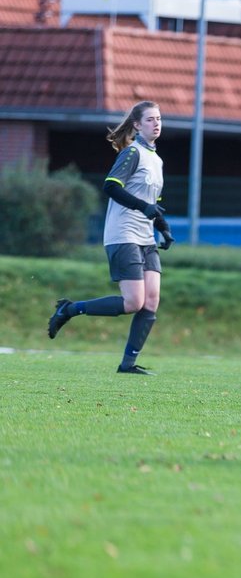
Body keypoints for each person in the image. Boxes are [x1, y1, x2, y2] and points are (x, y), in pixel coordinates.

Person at [47, 101, 175, 374]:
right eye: (150, 119)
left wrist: (163, 227)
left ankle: (128, 364)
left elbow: (153, 200)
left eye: (159, 118)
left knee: (151, 301)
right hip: (123, 233)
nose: (156, 123)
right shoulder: (132, 153)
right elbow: (111, 187)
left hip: (145, 236)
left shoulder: (157, 160)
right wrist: (144, 208)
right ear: (137, 125)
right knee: (133, 302)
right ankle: (69, 309)